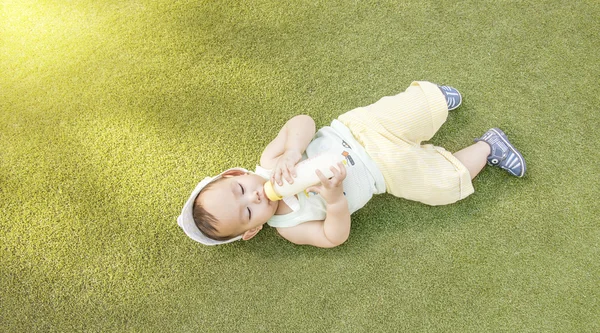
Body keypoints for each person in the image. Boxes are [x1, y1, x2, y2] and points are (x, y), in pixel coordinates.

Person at [178, 81, 526, 248]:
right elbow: (333, 237)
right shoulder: (290, 225)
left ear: (236, 174)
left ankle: (432, 99)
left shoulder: (270, 164)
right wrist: (334, 198)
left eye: (241, 190)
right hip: (384, 174)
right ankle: (488, 146)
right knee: (444, 187)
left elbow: (303, 121)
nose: (254, 198)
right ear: (251, 231)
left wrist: (292, 152)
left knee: (410, 112)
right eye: (248, 213)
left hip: (361, 130)